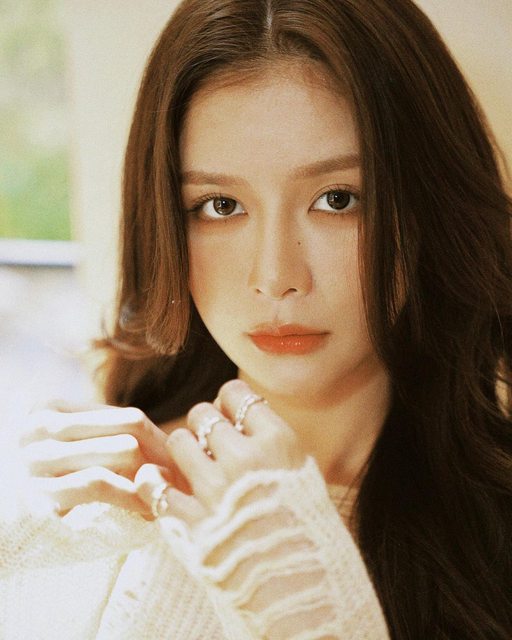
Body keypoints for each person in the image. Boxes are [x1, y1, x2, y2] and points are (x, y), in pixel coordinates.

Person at [1, 0, 511, 638]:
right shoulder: (101, 510)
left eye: (338, 200)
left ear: (427, 209)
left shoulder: (492, 537)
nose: (276, 276)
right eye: (220, 205)